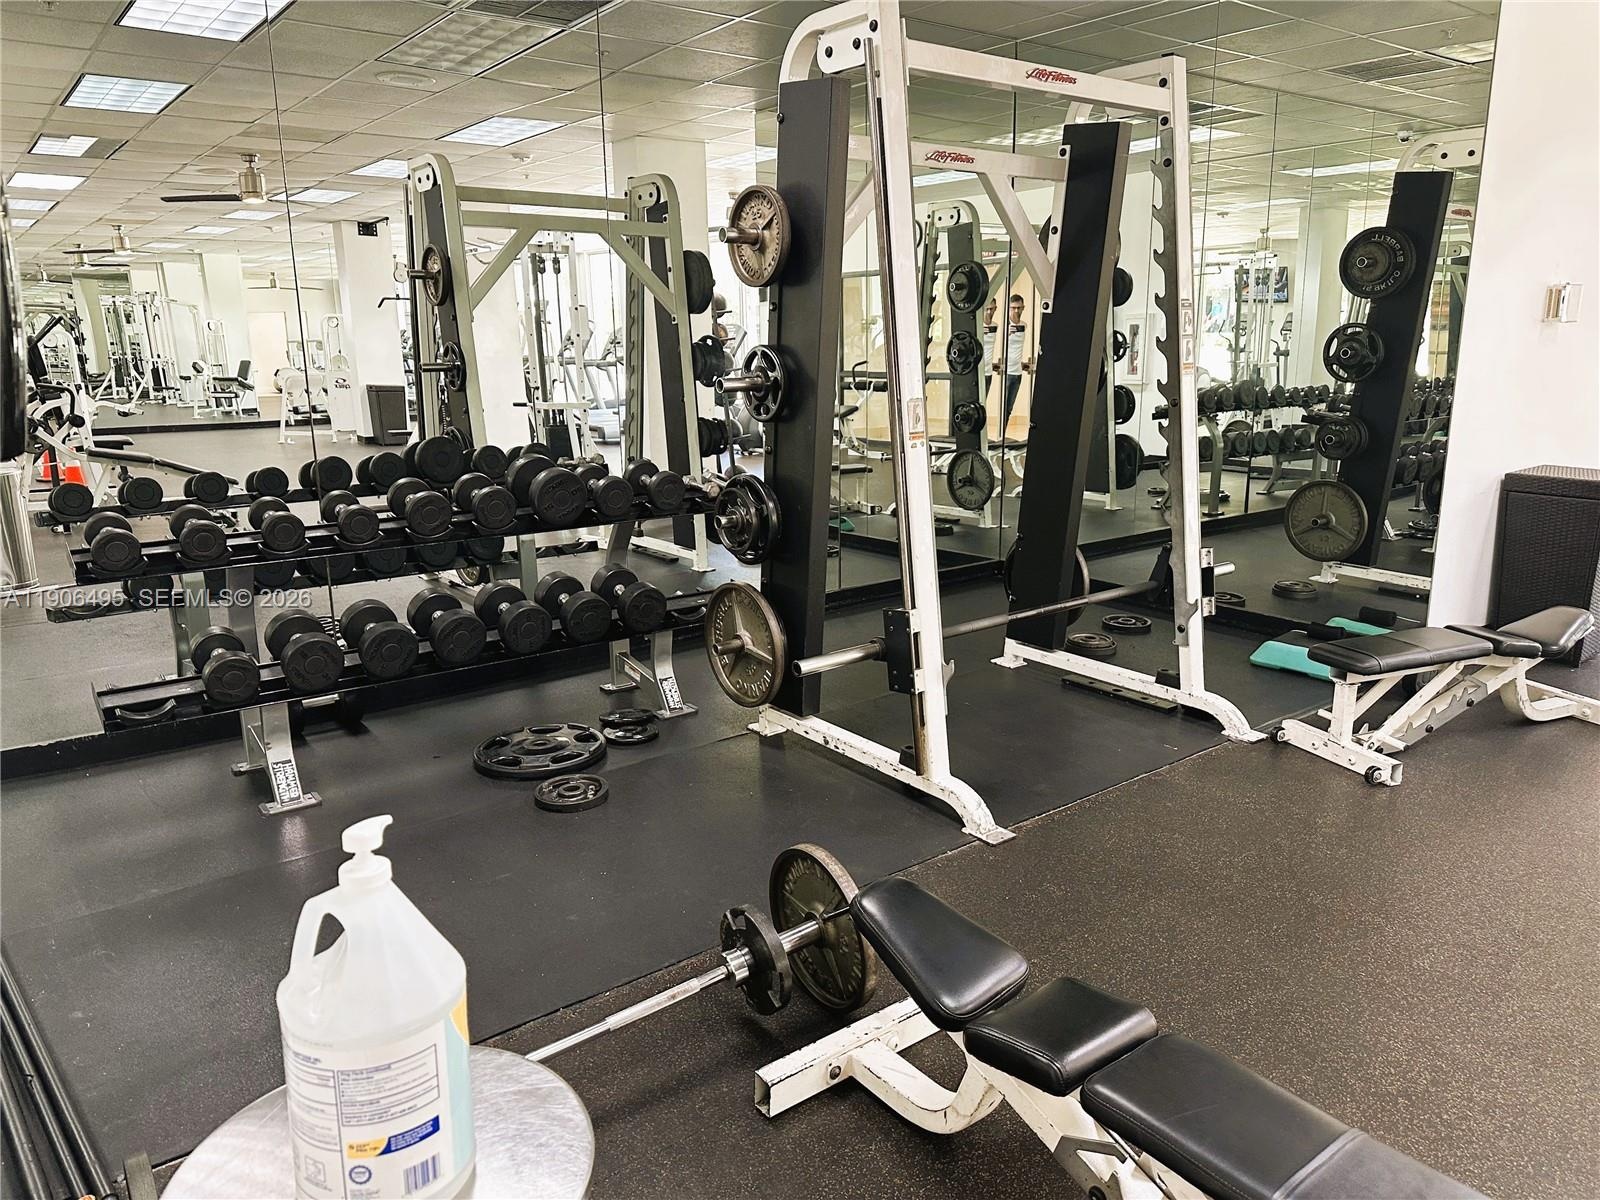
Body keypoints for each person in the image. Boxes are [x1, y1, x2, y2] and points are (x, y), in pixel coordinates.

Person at [990, 294, 1029, 433]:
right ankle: (1000, 435)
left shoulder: (1024, 325)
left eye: (1019, 308)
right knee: (1003, 407)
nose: (1016, 311)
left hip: (1017, 373)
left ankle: (1003, 434)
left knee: (1009, 408)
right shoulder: (1003, 327)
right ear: (1009, 309)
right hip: (1005, 372)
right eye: (1013, 308)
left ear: (1023, 308)